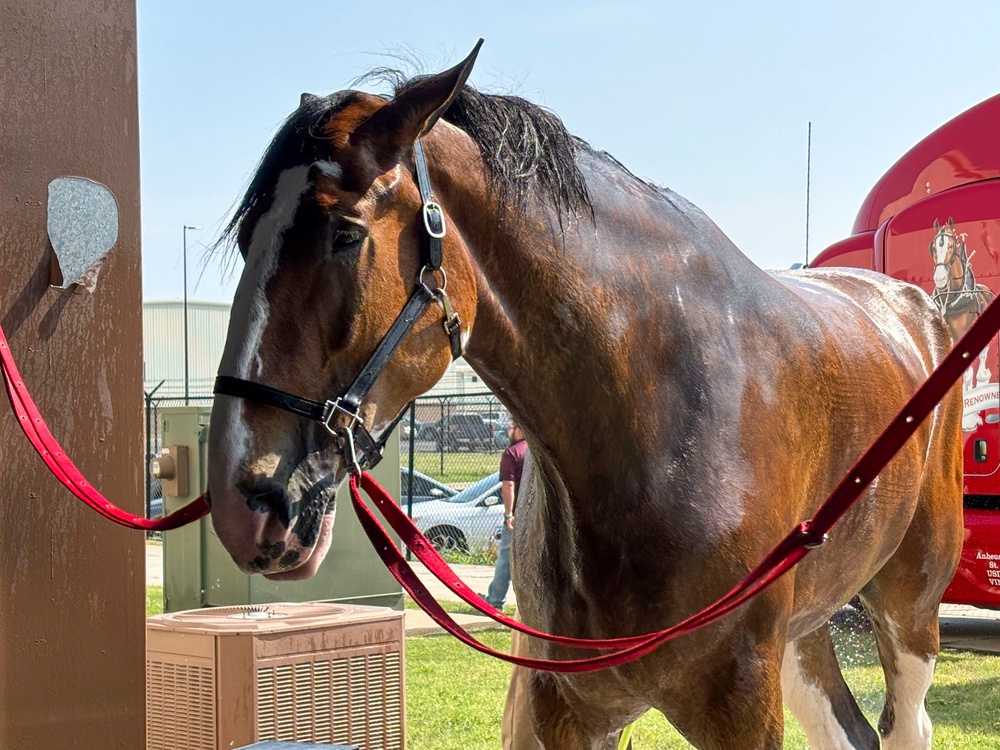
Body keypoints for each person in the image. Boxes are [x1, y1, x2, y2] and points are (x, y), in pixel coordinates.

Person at [485, 418, 526, 610]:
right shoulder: (538, 452)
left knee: (506, 559)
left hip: (518, 517)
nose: (508, 432)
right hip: (540, 515)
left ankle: (495, 601)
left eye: (510, 428)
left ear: (519, 430)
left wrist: (509, 514)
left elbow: (508, 485)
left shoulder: (512, 453)